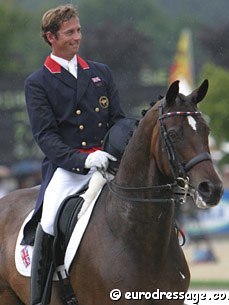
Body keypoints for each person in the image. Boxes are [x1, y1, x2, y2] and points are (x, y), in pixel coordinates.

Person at [23, 4, 125, 304]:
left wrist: (113, 151)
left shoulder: (99, 72)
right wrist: (83, 159)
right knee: (50, 220)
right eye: (69, 33)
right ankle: (41, 297)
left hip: (107, 163)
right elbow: (46, 137)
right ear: (50, 37)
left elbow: (117, 118)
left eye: (78, 30)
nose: (77, 37)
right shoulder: (38, 82)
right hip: (68, 169)